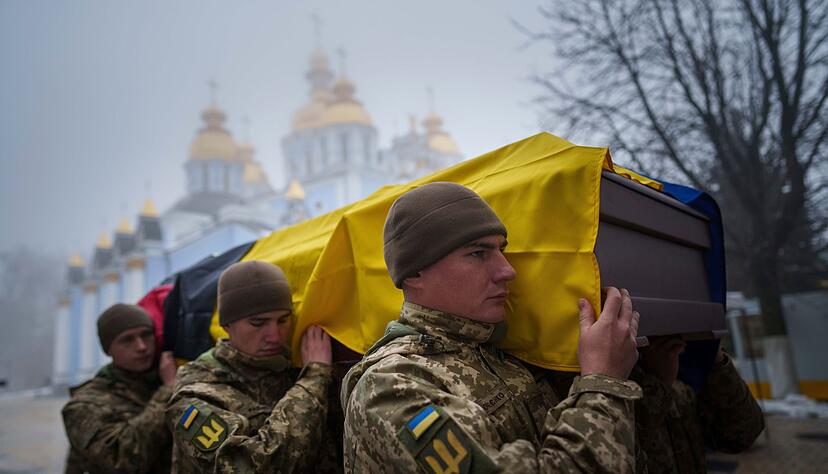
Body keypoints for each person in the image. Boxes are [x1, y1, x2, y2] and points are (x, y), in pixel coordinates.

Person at [341, 181, 644, 473]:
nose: (507, 270)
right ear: (414, 273)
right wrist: (602, 381)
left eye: (501, 250)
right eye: (478, 253)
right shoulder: (390, 387)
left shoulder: (498, 350)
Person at [166, 260, 340, 473]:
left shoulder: (293, 365)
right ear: (227, 326)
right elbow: (249, 467)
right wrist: (314, 379)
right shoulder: (194, 394)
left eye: (283, 320)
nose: (275, 336)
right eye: (258, 323)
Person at [62, 303, 177, 474]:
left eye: (146, 335)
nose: (141, 346)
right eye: (127, 340)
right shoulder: (85, 405)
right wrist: (168, 390)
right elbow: (120, 460)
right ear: (108, 349)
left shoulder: (162, 378)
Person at [632, 337, 765, 473]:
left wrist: (711, 353)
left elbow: (743, 434)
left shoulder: (683, 383)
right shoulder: (616, 388)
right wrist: (659, 386)